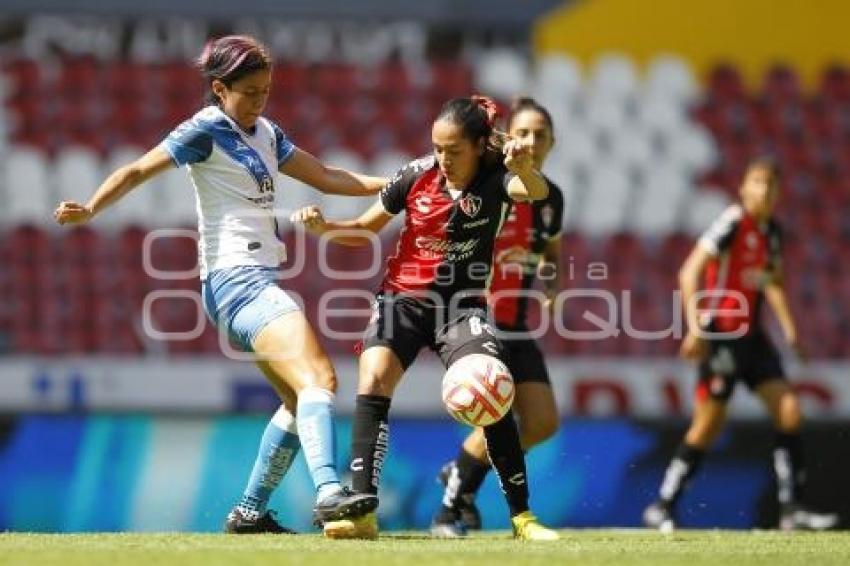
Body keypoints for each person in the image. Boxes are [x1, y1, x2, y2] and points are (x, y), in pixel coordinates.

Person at [53, 35, 388, 534]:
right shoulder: (206, 128)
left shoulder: (267, 132)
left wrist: (399, 181)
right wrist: (92, 207)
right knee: (321, 378)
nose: (259, 100)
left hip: (248, 283)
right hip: (238, 280)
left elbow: (326, 175)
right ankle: (330, 495)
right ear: (218, 88)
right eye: (250, 91)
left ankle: (250, 511)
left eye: (266, 91)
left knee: (300, 400)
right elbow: (137, 169)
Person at [290, 95, 560, 541]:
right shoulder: (415, 176)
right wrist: (324, 228)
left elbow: (534, 192)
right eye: (437, 148)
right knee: (373, 376)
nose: (443, 159)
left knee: (491, 384)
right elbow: (362, 231)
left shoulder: (499, 177)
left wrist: (526, 166)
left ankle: (522, 518)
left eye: (453, 150)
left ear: (478, 145)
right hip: (402, 300)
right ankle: (361, 512)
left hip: (462, 306)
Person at [642, 158, 839, 531]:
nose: (763, 190)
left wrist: (791, 331)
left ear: (778, 192)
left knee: (790, 411)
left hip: (755, 339)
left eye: (769, 184)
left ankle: (790, 509)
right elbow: (690, 271)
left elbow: (773, 282)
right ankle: (662, 505)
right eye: (756, 182)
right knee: (708, 426)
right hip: (722, 337)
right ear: (744, 188)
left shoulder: (773, 232)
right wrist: (697, 326)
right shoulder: (732, 222)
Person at [430, 97, 564, 537]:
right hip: (481, 318)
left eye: (540, 134)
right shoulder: (491, 183)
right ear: (508, 138)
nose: (531, 141)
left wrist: (550, 281)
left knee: (543, 423)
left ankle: (463, 472)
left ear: (552, 142)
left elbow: (552, 250)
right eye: (522, 132)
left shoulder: (550, 198)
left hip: (518, 322)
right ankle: (448, 510)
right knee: (495, 412)